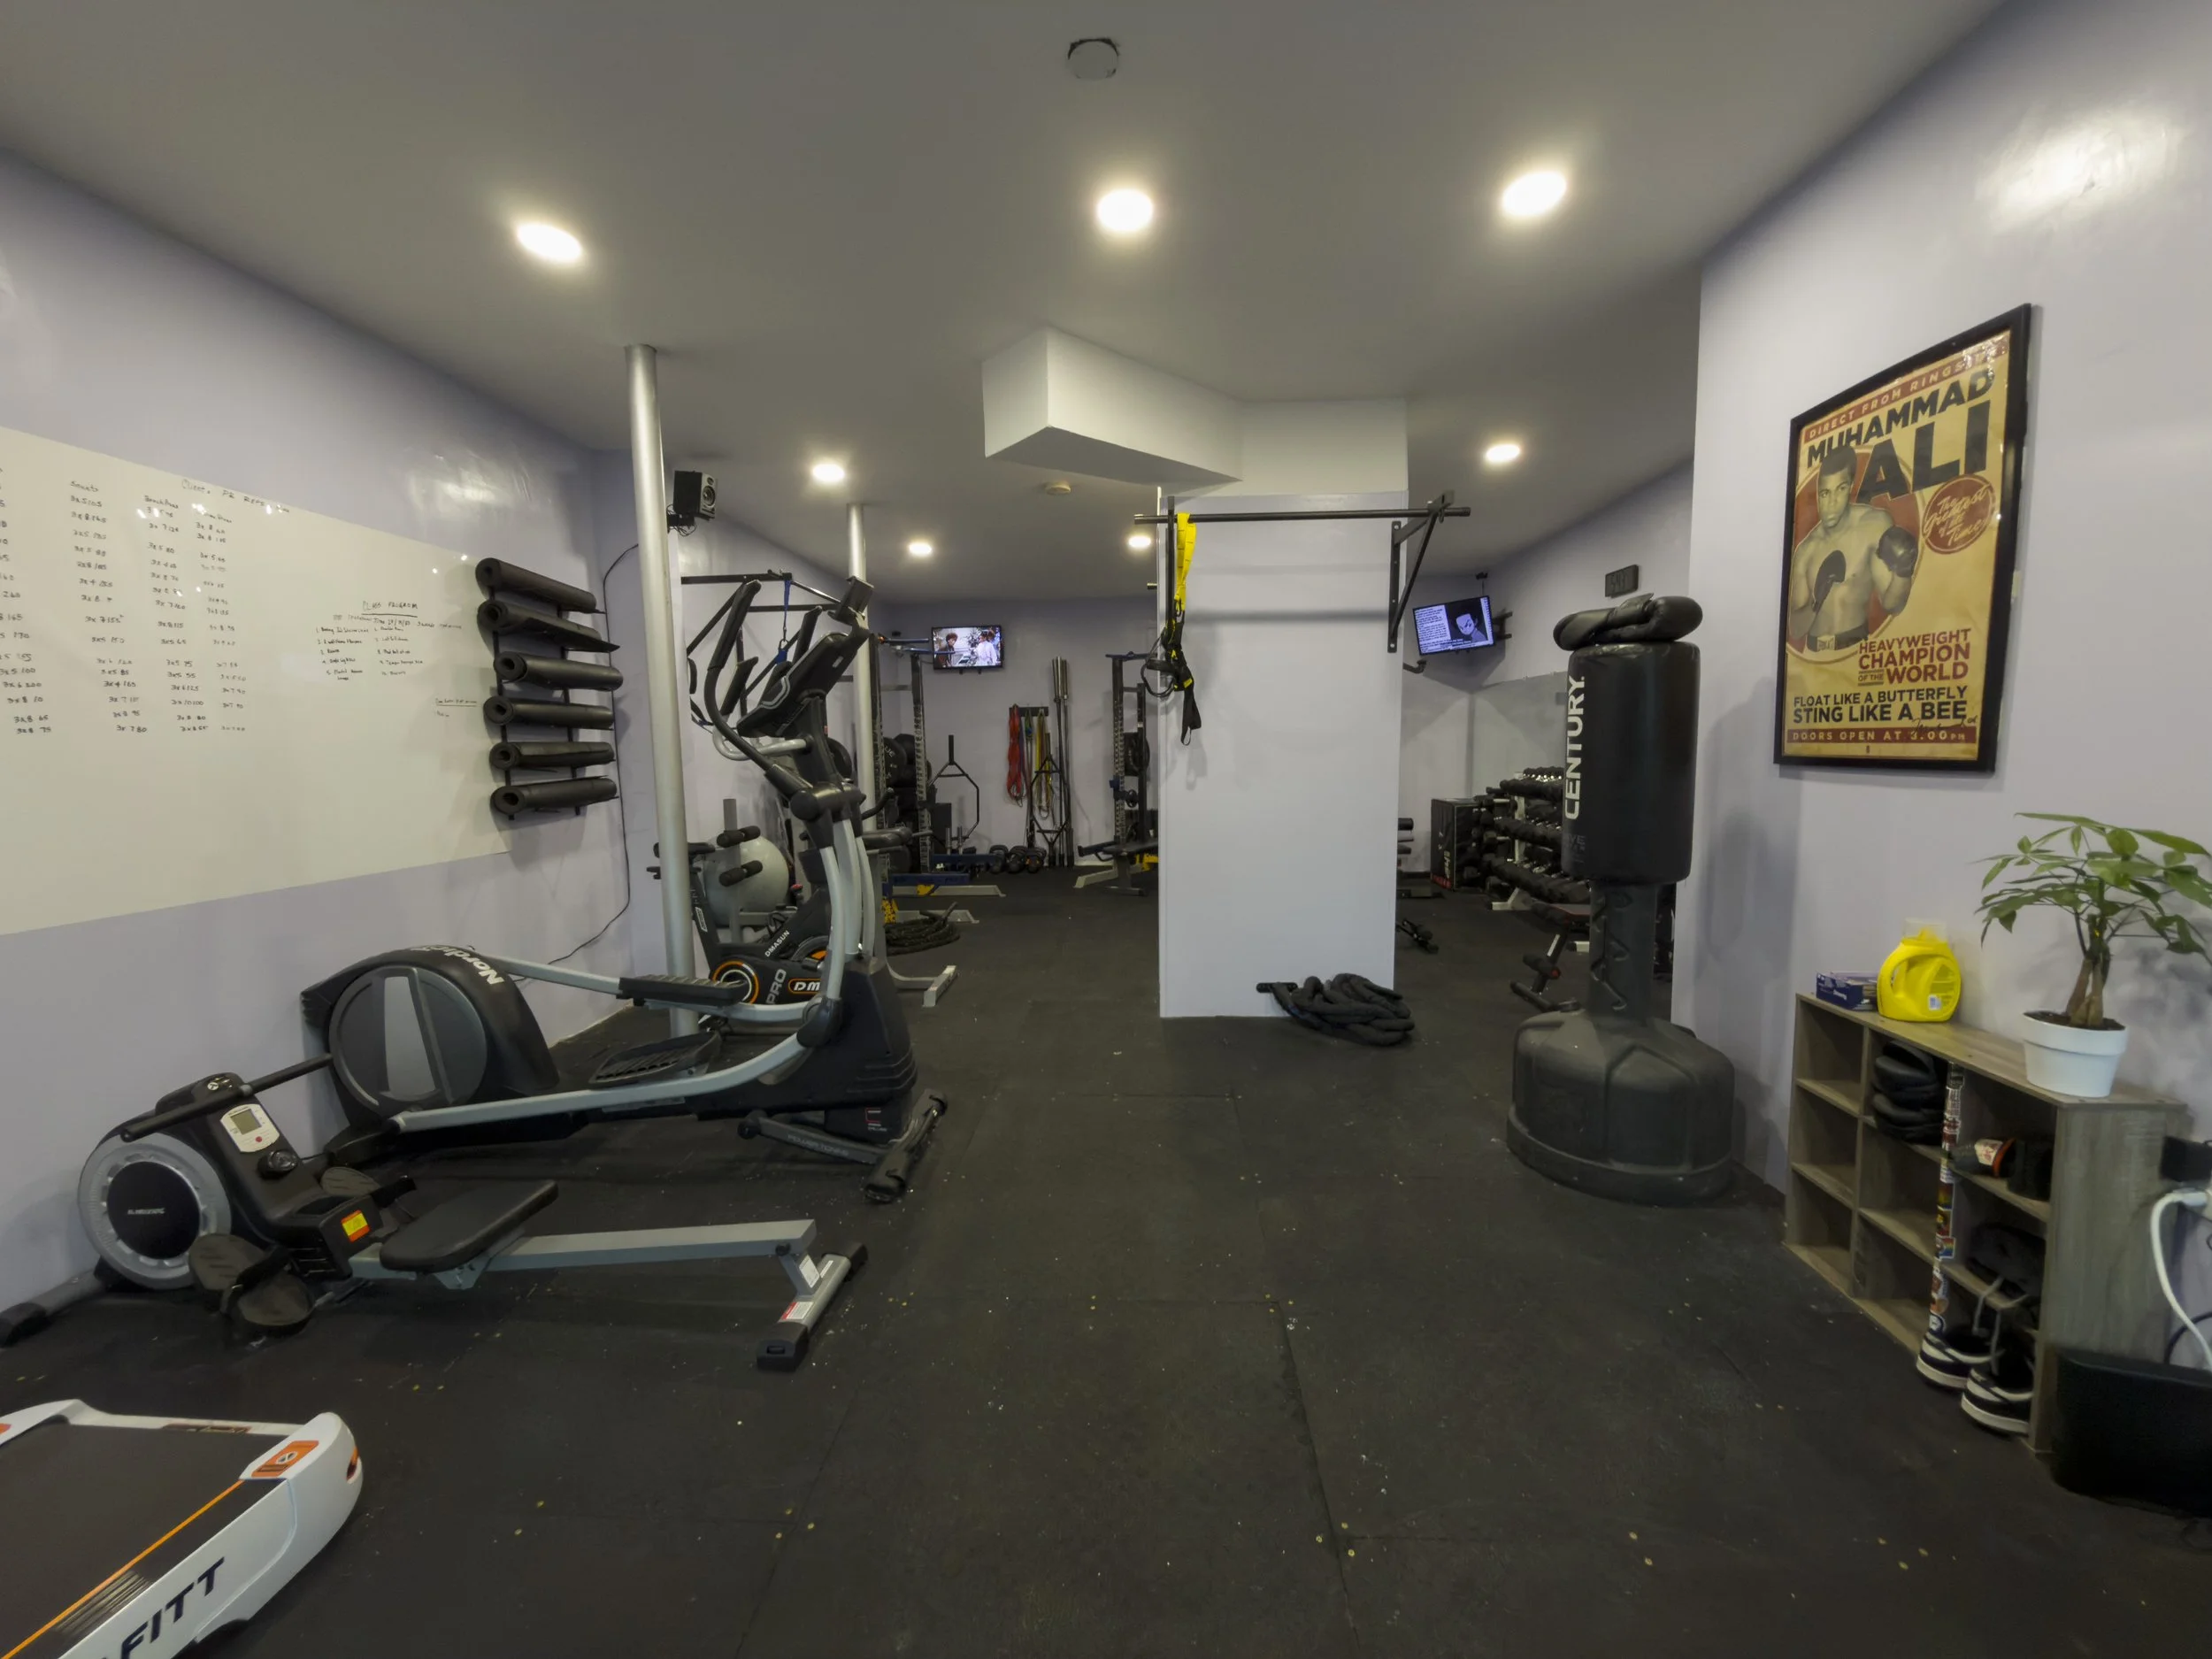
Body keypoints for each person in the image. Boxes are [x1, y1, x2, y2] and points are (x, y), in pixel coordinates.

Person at [1786, 447, 1919, 652]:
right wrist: (1817, 598)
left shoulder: (1873, 525)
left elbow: (1893, 605)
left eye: (1840, 489)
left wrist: (1903, 571)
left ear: (1850, 488)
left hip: (1855, 652)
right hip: (1814, 659)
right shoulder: (1806, 550)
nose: (1831, 502)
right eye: (1824, 493)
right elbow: (1795, 629)